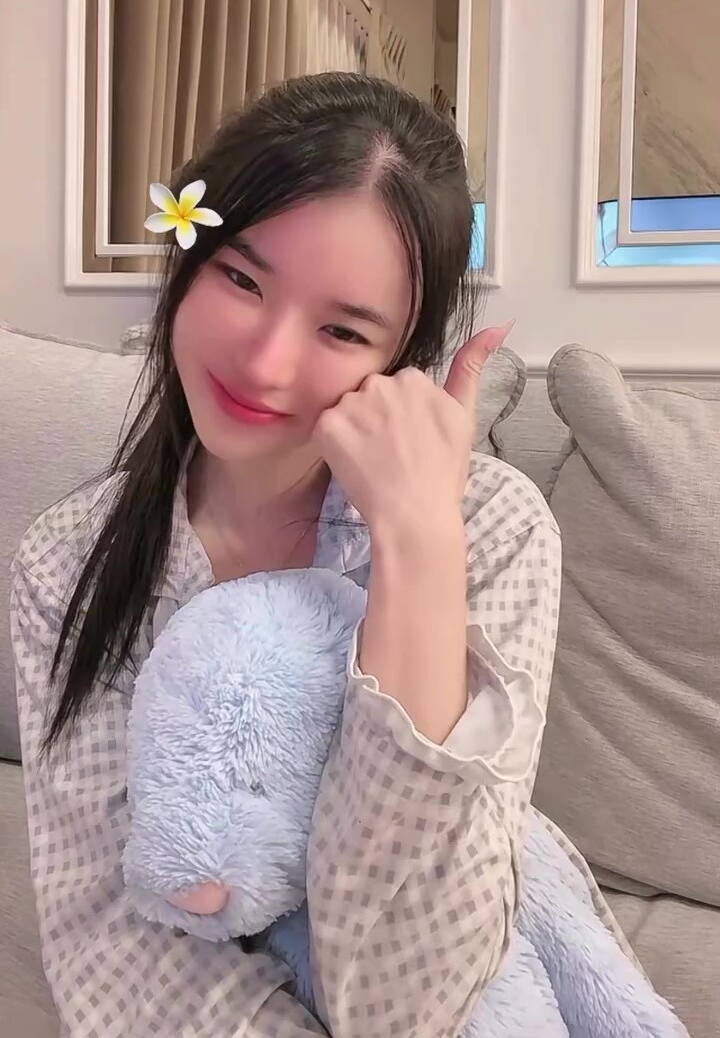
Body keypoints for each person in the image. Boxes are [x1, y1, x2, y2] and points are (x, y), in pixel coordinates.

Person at [11, 72, 562, 1037]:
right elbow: (111, 949)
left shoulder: (493, 527)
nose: (265, 362)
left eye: (342, 329)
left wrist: (419, 546)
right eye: (241, 278)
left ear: (399, 362)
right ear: (186, 258)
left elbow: (413, 1002)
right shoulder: (66, 563)